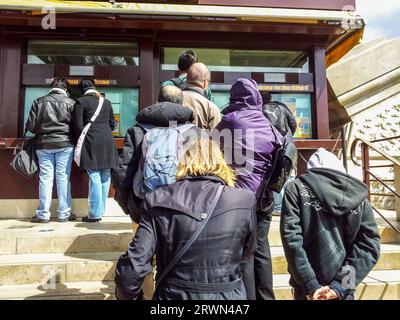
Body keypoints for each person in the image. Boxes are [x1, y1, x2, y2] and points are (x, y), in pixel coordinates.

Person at [114, 138, 256, 300]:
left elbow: (132, 269)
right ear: (220, 161)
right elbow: (247, 251)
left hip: (173, 295)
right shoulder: (244, 200)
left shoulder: (158, 199)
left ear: (182, 161)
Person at [280, 148, 381, 300]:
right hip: (343, 290)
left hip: (306, 290)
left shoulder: (295, 189)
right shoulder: (359, 196)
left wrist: (310, 285)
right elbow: (368, 247)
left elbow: (292, 241)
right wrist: (341, 286)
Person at [214, 78, 282, 300]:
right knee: (261, 250)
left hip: (240, 201)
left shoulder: (230, 120)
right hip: (265, 199)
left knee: (244, 253)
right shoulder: (268, 123)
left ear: (234, 98)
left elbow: (210, 144)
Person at [112, 86, 199, 223]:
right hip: (184, 208)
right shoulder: (195, 132)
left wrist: (128, 206)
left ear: (157, 102)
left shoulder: (137, 131)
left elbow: (123, 172)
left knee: (143, 244)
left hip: (143, 207)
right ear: (181, 104)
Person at [27, 78, 76, 223]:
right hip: (65, 144)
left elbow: (31, 126)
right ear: (66, 89)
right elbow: (76, 126)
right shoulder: (71, 103)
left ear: (52, 87)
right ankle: (64, 214)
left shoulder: (39, 101)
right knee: (63, 178)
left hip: (43, 144)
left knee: (45, 179)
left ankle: (43, 214)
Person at [72, 79, 118, 223]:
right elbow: (112, 124)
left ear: (81, 90)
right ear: (94, 87)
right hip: (107, 141)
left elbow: (78, 126)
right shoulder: (107, 102)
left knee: (94, 175)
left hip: (91, 141)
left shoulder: (80, 102)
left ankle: (94, 214)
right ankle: (101, 211)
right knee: (105, 176)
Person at [260, 92, 298, 216]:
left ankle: (276, 205)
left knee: (272, 174)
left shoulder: (258, 108)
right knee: (285, 173)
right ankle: (284, 206)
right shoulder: (280, 106)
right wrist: (288, 135)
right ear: (271, 98)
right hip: (284, 144)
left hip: (268, 146)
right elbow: (293, 123)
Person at [182, 62, 221, 130]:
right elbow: (215, 139)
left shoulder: (173, 100)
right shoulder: (211, 108)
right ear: (205, 83)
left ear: (187, 80)